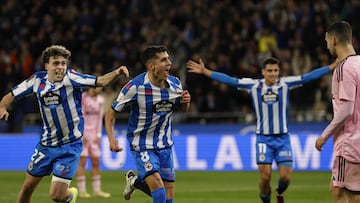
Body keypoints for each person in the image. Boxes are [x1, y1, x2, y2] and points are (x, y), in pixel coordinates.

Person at [187, 57, 337, 203]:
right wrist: (205, 71)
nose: (273, 74)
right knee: (265, 177)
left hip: (283, 138)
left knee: (285, 177)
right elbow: (229, 80)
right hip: (263, 139)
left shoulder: (285, 84)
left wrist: (331, 66)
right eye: (270, 71)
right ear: (263, 72)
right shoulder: (253, 85)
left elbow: (309, 77)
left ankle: (279, 193)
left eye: (276, 70)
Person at [0, 45, 129, 203]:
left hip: (70, 145)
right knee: (27, 188)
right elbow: (11, 94)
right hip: (46, 145)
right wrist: (2, 107)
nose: (60, 67)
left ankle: (71, 195)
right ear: (46, 65)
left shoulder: (72, 78)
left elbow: (100, 81)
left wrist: (117, 72)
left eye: (63, 63)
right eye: (56, 63)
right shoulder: (36, 80)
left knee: (56, 196)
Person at [104, 45, 191, 203]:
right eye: (163, 60)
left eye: (168, 58)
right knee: (158, 187)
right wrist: (111, 139)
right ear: (152, 66)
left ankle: (134, 182)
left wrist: (186, 102)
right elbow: (110, 114)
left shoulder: (175, 84)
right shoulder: (135, 87)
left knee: (168, 198)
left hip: (165, 144)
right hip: (142, 144)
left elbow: (184, 109)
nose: (169, 63)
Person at [315, 21, 360, 203]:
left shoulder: (343, 68)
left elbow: (346, 111)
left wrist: (324, 136)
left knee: (339, 191)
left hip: (349, 143)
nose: (327, 46)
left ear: (334, 40)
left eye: (326, 42)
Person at [76, 87, 111, 198]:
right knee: (82, 162)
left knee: (96, 162)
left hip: (94, 135)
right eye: (98, 86)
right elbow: (78, 117)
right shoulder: (83, 98)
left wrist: (99, 135)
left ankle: (97, 191)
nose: (100, 89)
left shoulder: (100, 99)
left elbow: (100, 118)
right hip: (84, 135)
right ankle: (82, 191)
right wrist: (80, 134)